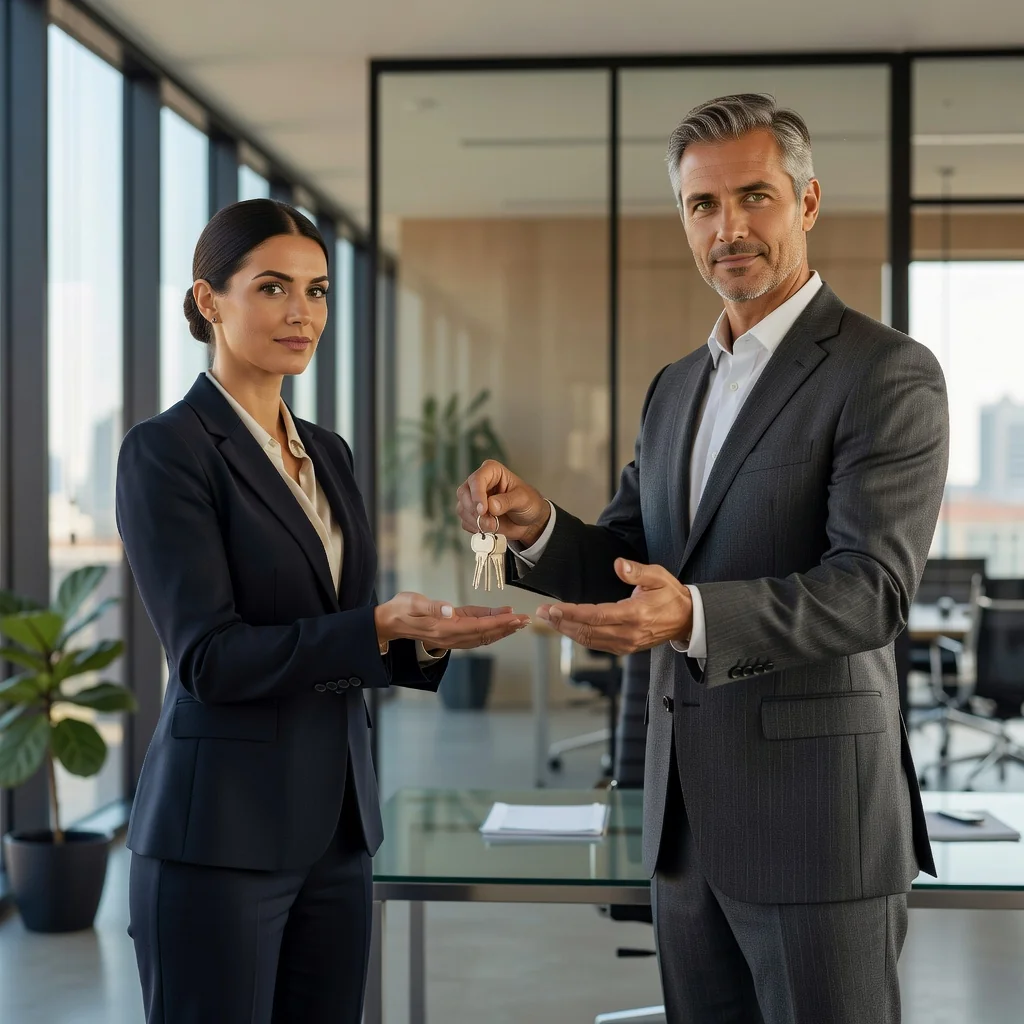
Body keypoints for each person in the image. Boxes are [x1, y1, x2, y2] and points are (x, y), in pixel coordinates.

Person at [458, 94, 948, 1024]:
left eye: (754, 197)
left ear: (806, 204)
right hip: (684, 830)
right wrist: (534, 527)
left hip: (817, 833)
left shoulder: (886, 372)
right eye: (702, 205)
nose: (729, 228)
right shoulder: (675, 387)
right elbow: (631, 558)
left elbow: (871, 591)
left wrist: (692, 617)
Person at [116, 199, 529, 1024]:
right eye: (273, 287)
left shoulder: (327, 453)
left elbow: (332, 623)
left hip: (337, 833)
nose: (303, 312)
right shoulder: (168, 452)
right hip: (221, 839)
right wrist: (377, 626)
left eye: (318, 290)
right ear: (209, 302)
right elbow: (209, 660)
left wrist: (420, 637)